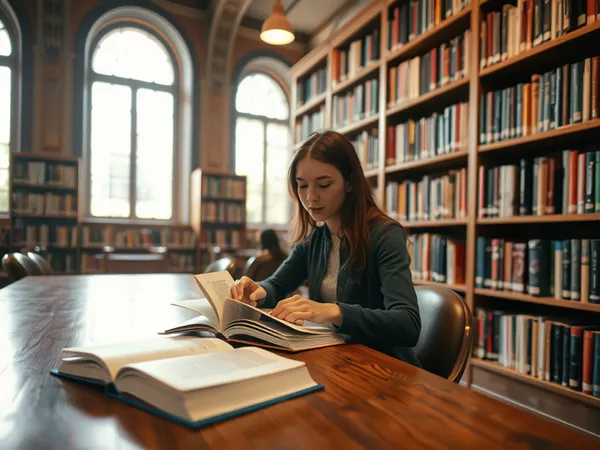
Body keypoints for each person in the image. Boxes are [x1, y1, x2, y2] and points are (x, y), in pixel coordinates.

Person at [230, 131, 421, 367]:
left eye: (324, 184)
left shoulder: (384, 235)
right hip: (335, 360)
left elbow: (408, 323)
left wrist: (333, 312)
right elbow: (278, 284)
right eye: (302, 186)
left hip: (382, 367)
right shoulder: (316, 238)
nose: (311, 197)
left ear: (350, 182)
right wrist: (257, 289)